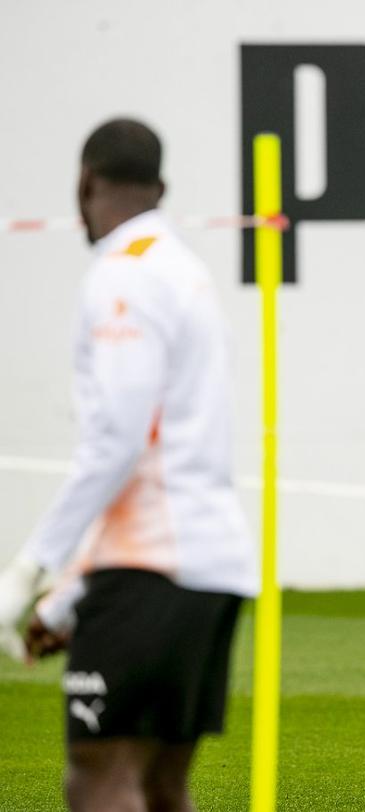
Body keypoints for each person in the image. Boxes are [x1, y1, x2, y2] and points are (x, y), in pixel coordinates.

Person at [0, 118, 257, 811]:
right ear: (162, 188)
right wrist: (73, 597)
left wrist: (29, 570)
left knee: (99, 778)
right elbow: (160, 456)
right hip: (211, 566)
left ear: (84, 181)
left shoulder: (121, 274)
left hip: (152, 571)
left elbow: (118, 441)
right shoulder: (185, 272)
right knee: (160, 785)